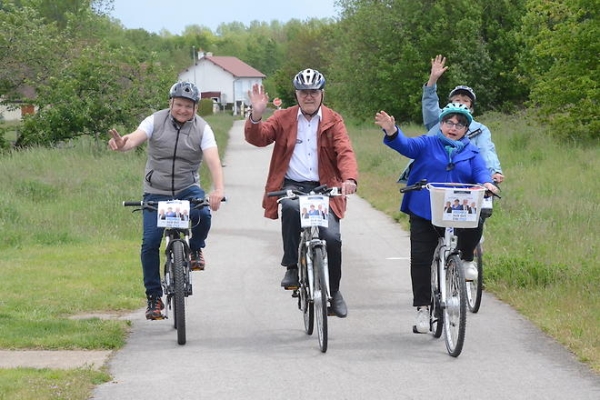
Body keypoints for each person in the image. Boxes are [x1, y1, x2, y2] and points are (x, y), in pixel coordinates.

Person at [375, 102, 499, 333]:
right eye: (449, 122)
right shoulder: (427, 143)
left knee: (478, 217)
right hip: (425, 208)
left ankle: (465, 259)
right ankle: (423, 309)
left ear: (466, 129)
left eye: (460, 124)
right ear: (441, 124)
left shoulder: (472, 151)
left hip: (458, 209)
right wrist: (392, 130)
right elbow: (406, 145)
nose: (453, 127)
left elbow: (481, 171)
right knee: (421, 258)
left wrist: (486, 182)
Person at [244, 68, 358, 318]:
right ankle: (292, 266)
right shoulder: (283, 118)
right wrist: (256, 115)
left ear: (322, 94)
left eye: (314, 92)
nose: (309, 96)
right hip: (292, 186)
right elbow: (259, 138)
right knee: (292, 208)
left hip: (325, 188)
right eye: (304, 92)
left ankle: (335, 292)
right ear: (296, 94)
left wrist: (349, 178)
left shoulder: (333, 120)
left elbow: (345, 151)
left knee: (332, 238)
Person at [108, 81, 225, 320]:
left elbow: (212, 158)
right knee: (150, 243)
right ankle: (154, 297)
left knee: (202, 214)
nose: (183, 110)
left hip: (187, 188)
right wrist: (123, 145)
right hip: (156, 191)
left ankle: (196, 249)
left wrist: (218, 189)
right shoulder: (155, 120)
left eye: (188, 106)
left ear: (196, 108)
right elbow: (134, 138)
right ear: (170, 103)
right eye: (179, 104)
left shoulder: (203, 129)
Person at [399, 54, 504, 184]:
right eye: (457, 100)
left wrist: (494, 171)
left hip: (464, 181)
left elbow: (486, 151)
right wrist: (432, 80)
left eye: (465, 101)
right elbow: (429, 103)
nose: (461, 103)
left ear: (471, 107)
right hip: (433, 178)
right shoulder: (438, 120)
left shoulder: (480, 130)